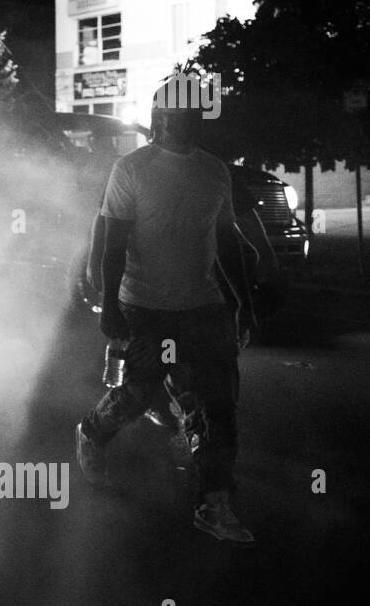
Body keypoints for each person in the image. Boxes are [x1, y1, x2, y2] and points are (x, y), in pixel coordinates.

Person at [75, 73, 259, 544]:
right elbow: (113, 244)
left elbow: (226, 241)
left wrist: (243, 302)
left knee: (219, 406)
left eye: (197, 113)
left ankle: (213, 504)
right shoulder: (132, 169)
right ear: (160, 119)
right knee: (139, 392)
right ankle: (93, 433)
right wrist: (111, 305)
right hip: (146, 307)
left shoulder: (214, 171)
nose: (191, 121)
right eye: (182, 114)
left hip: (204, 306)